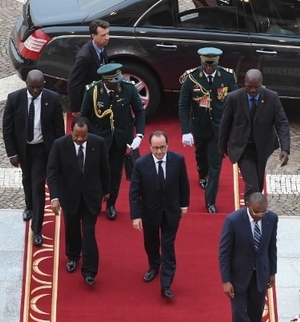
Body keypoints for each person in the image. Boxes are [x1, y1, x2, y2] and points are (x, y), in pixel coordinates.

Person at [2, 69, 65, 246]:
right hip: (23, 150)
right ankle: (29, 206)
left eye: (39, 87)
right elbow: (7, 128)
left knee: (38, 186)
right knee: (27, 180)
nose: (36, 91)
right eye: (32, 87)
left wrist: (58, 154)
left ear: (43, 85)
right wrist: (12, 153)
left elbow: (58, 128)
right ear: (26, 84)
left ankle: (36, 229)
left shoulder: (52, 99)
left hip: (42, 150)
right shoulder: (14, 99)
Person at [46, 117, 110, 285]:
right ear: (71, 132)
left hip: (91, 197)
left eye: (83, 136)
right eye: (77, 136)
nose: (80, 139)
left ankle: (89, 271)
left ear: (88, 132)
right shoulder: (59, 145)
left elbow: (105, 168)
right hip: (69, 196)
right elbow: (52, 172)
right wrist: (54, 197)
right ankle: (73, 255)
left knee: (89, 233)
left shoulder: (99, 143)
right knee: (72, 228)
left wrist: (107, 191)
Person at [129, 131, 190, 299]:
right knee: (151, 243)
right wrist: (136, 216)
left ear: (168, 145)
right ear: (150, 147)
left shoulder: (178, 160)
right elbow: (134, 192)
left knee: (167, 246)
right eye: (155, 148)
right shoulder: (141, 164)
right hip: (149, 212)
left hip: (171, 211)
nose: (159, 151)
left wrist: (184, 205)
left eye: (162, 147)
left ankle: (166, 284)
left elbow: (183, 184)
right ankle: (154, 265)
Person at [81, 63, 145, 220]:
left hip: (121, 136)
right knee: (95, 171)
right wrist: (84, 138)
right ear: (104, 80)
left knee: (115, 172)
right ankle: (95, 202)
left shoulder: (128, 88)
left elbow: (139, 111)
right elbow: (84, 116)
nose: (118, 84)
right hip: (98, 137)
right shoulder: (93, 91)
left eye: (119, 80)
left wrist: (140, 135)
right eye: (114, 81)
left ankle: (111, 204)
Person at [219, 192, 277, 322]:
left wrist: (272, 272)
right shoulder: (233, 221)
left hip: (261, 273)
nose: (260, 215)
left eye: (263, 211)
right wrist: (226, 280)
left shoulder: (271, 218)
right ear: (248, 206)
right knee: (239, 313)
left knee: (256, 310)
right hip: (238, 276)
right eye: (257, 212)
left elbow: (271, 246)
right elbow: (224, 253)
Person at [179, 47, 238, 214]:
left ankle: (210, 200)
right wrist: (186, 130)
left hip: (219, 127)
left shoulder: (227, 75)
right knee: (200, 155)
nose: (209, 69)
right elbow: (183, 106)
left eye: (213, 66)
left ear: (218, 64)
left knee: (216, 164)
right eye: (206, 65)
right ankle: (201, 173)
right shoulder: (191, 78)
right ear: (201, 63)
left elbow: (235, 101)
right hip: (199, 125)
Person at [218, 69, 291, 202]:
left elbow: (281, 123)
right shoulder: (233, 98)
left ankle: (254, 210)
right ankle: (250, 215)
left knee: (258, 183)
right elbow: (225, 123)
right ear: (244, 83)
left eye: (256, 87)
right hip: (242, 147)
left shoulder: (272, 97)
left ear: (262, 83)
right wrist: (221, 146)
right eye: (249, 86)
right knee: (252, 185)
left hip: (262, 147)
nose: (252, 90)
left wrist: (285, 149)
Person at [67, 19, 110, 114]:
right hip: (88, 101)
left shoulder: (101, 46)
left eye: (107, 34)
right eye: (103, 35)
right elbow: (74, 83)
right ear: (93, 36)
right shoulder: (84, 57)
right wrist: (76, 108)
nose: (107, 37)